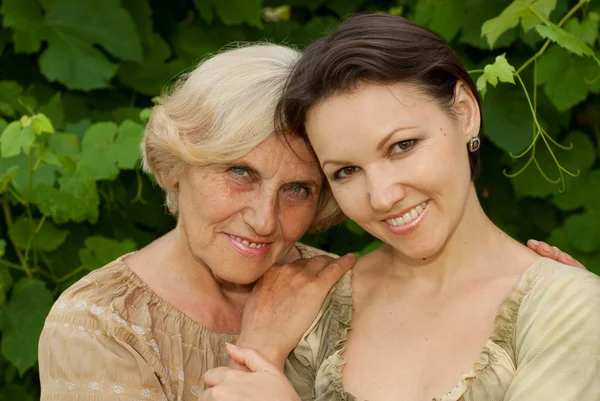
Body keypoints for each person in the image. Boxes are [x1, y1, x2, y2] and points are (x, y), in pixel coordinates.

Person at [202, 14, 600, 401]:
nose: (382, 197)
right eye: (346, 171)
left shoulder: (567, 309)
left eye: (402, 146)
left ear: (464, 113)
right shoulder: (314, 306)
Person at [37, 43, 356, 401]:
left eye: (298, 189)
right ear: (176, 164)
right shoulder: (101, 324)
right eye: (240, 172)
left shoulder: (346, 295)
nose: (264, 221)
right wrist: (257, 351)